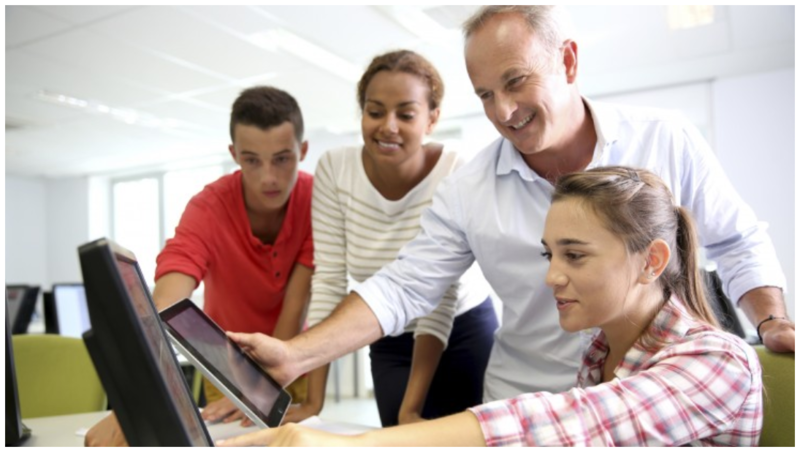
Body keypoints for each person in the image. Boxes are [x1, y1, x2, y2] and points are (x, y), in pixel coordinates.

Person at [223, 5, 792, 406]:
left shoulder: (665, 138)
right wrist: (297, 355)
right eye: (485, 94)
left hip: (650, 390)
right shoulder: (471, 188)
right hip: (526, 401)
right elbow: (403, 287)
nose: (503, 111)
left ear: (568, 62)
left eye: (516, 81)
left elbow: (735, 239)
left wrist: (771, 320)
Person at [220, 166, 764, 446]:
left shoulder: (716, 362)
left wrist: (356, 445)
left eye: (575, 255)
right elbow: (408, 285)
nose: (551, 275)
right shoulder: (603, 353)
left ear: (652, 261)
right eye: (550, 254)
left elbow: (571, 425)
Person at [84, 86, 314, 446]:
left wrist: (263, 384)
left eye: (282, 159)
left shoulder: (317, 199)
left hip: (291, 360)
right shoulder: (208, 207)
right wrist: (134, 403)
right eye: (252, 159)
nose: (268, 177)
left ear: (302, 151)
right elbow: (167, 303)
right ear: (234, 154)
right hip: (223, 365)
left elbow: (295, 304)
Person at [284, 50, 496, 427]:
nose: (388, 126)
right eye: (376, 111)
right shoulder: (335, 169)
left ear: (432, 118)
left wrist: (411, 409)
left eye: (406, 113)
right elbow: (330, 280)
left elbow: (440, 296)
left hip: (462, 328)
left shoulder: (454, 172)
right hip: (386, 329)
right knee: (399, 436)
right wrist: (314, 401)